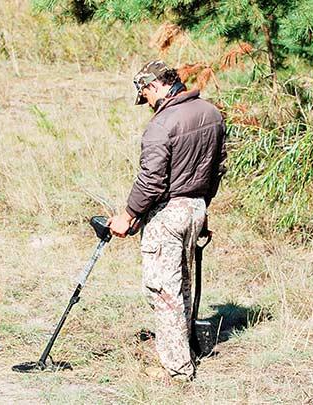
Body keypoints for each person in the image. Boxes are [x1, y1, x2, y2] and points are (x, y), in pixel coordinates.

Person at [107, 60, 227, 381]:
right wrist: (201, 209)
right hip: (196, 207)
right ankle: (183, 352)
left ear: (154, 86)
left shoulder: (161, 125)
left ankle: (176, 370)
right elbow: (217, 169)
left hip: (168, 214)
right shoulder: (212, 114)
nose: (145, 102)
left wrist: (128, 215)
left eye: (144, 94)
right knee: (183, 285)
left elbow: (151, 182)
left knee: (164, 290)